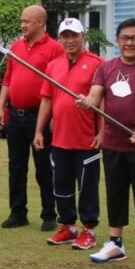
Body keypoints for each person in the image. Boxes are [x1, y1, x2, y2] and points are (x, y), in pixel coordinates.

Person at [78, 18, 135, 268]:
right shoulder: (106, 68)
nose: (129, 43)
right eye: (124, 38)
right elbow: (95, 95)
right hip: (113, 144)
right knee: (115, 194)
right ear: (118, 40)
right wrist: (87, 100)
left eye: (134, 38)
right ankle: (115, 244)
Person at [33, 18, 104, 250]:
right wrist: (39, 131)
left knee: (87, 188)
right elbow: (47, 100)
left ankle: (89, 230)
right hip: (60, 139)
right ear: (60, 38)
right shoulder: (53, 65)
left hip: (87, 140)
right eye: (65, 36)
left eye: (74, 35)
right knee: (61, 187)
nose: (70, 40)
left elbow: (104, 103)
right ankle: (69, 227)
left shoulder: (97, 64)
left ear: (83, 36)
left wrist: (102, 132)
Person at [0, 5, 64, 231]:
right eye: (22, 20)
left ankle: (49, 214)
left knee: (44, 167)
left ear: (40, 23)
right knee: (16, 166)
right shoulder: (15, 47)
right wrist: (0, 108)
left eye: (27, 21)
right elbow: (7, 79)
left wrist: (53, 115)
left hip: (39, 117)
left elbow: (58, 85)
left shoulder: (55, 49)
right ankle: (18, 212)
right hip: (16, 116)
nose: (22, 25)